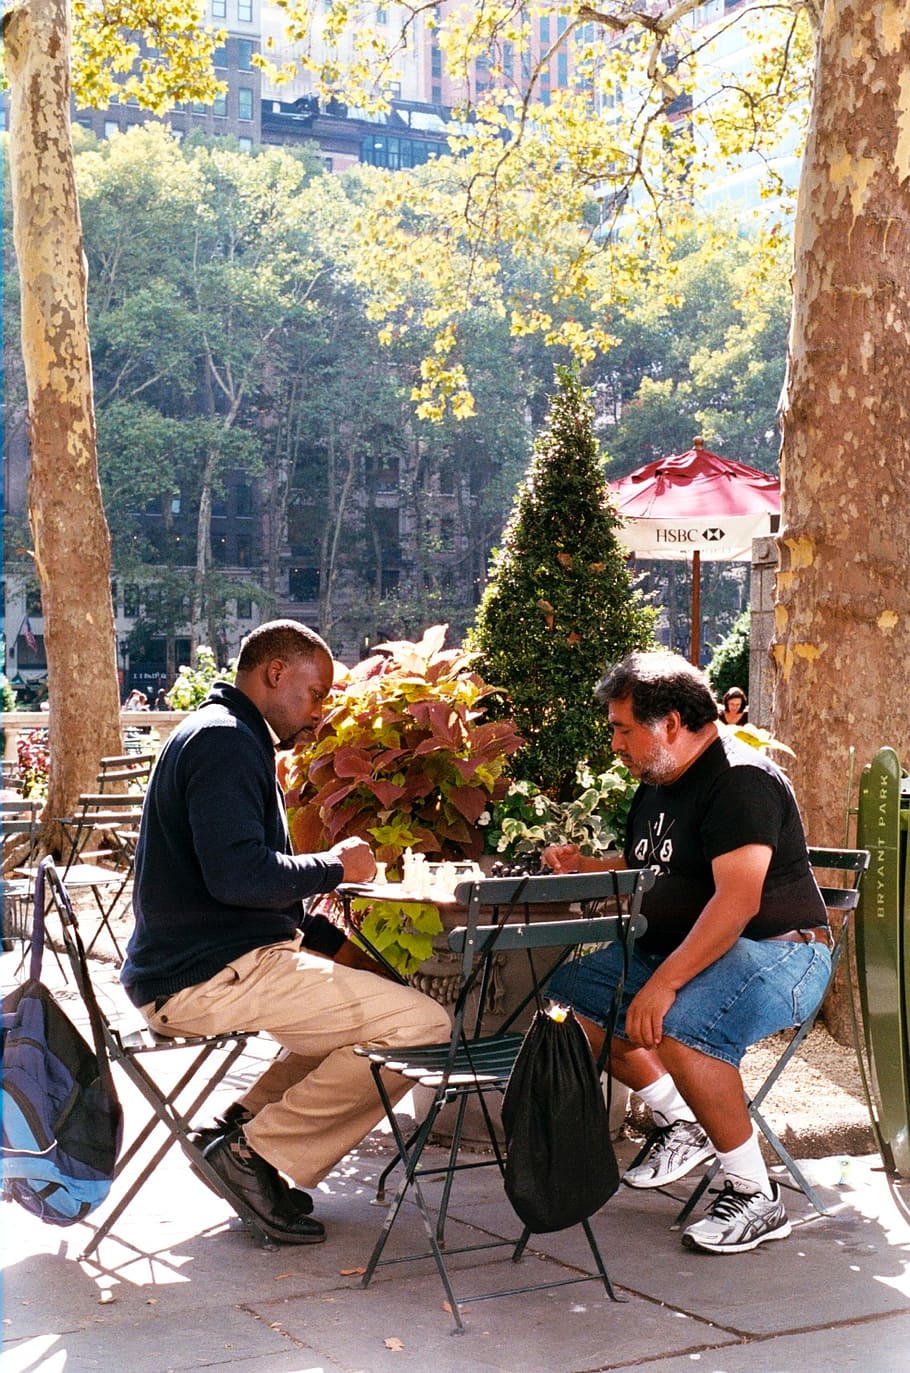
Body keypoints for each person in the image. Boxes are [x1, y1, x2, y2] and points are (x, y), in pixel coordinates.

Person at [120, 620, 450, 1245]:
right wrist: (336, 865)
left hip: (209, 965)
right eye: (316, 692)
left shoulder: (222, 731)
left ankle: (238, 1131)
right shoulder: (225, 740)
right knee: (426, 1028)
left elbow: (245, 893)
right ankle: (253, 1156)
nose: (320, 712)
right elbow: (239, 876)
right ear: (276, 673)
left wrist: (329, 940)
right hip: (208, 978)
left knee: (372, 1011)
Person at [542, 650, 829, 1255]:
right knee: (569, 1005)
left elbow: (737, 901)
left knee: (681, 1024)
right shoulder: (658, 786)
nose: (615, 743)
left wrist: (664, 983)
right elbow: (652, 865)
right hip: (688, 951)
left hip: (778, 953)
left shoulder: (740, 780)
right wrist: (589, 867)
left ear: (669, 722)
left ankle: (756, 1193)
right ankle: (684, 1121)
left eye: (623, 728)